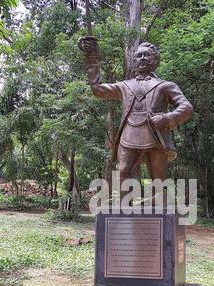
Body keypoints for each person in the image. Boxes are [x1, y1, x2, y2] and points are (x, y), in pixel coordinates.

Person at [78, 37, 193, 183]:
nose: (142, 58)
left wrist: (166, 118)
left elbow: (186, 107)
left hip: (156, 135)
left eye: (147, 55)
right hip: (129, 133)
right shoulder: (125, 86)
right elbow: (98, 90)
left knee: (158, 179)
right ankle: (123, 205)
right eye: (139, 55)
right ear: (134, 61)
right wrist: (91, 56)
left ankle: (160, 204)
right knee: (122, 172)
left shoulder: (165, 86)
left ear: (156, 60)